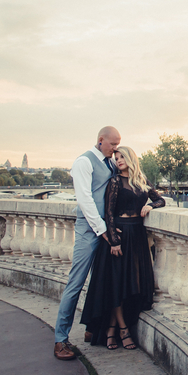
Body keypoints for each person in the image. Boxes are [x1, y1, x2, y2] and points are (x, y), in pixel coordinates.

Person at [80, 146, 165, 350]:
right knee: (117, 284)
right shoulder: (115, 181)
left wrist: (150, 206)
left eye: (121, 157)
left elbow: (160, 199)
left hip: (137, 236)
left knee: (129, 284)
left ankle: (111, 328)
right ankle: (123, 330)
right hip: (120, 235)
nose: (118, 160)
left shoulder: (142, 181)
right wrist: (114, 240)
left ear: (130, 158)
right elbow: (108, 213)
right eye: (116, 157)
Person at [54, 126, 120, 361]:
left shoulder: (111, 163)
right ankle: (60, 339)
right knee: (76, 282)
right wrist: (103, 230)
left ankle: (92, 328)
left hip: (106, 229)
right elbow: (85, 199)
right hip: (90, 230)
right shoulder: (83, 162)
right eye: (113, 144)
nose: (116, 148)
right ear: (101, 140)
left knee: (101, 281)